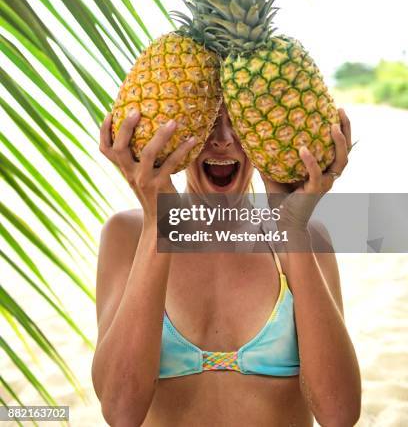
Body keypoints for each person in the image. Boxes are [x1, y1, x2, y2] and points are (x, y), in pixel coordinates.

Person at [92, 103, 361, 426]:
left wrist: (292, 229)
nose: (222, 139)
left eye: (240, 119)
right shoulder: (127, 234)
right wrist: (160, 223)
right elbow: (121, 412)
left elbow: (339, 414)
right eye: (206, 119)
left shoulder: (305, 235)